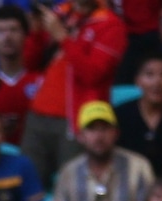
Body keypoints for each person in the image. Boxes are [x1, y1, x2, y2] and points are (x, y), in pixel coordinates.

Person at [21, 0, 126, 186]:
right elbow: (29, 64)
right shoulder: (61, 14)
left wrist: (63, 37)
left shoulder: (112, 25)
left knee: (72, 187)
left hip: (76, 121)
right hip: (37, 116)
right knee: (29, 186)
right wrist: (36, 32)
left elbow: (92, 74)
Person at [53, 100, 156, 201]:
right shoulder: (69, 173)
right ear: (80, 136)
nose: (99, 136)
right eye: (92, 129)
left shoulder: (138, 167)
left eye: (105, 129)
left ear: (116, 133)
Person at [0, 5, 45, 144]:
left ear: (26, 36)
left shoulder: (40, 82)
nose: (7, 37)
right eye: (0, 31)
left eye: (14, 30)